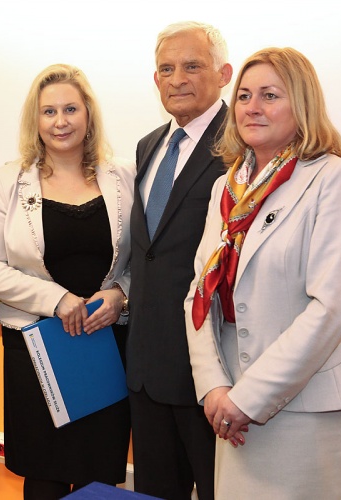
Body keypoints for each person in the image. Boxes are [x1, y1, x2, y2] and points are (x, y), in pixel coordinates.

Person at [185, 47, 341, 500]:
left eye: (269, 95)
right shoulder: (227, 187)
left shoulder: (335, 177)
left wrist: (247, 398)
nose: (252, 107)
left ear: (302, 104)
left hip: (305, 408)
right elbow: (199, 293)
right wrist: (214, 386)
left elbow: (331, 306)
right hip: (229, 402)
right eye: (244, 96)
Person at [0, 63, 134, 499]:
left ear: (88, 114)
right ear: (36, 119)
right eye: (49, 112)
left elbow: (146, 258)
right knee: (44, 474)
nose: (60, 121)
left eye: (70, 109)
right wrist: (58, 298)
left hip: (105, 344)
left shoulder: (123, 175)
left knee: (98, 477)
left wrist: (121, 294)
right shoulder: (8, 180)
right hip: (35, 345)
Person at [126, 21, 233, 500]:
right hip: (146, 372)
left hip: (210, 375)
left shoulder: (243, 145)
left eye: (192, 66)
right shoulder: (148, 145)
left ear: (224, 74)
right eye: (166, 69)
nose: (177, 79)